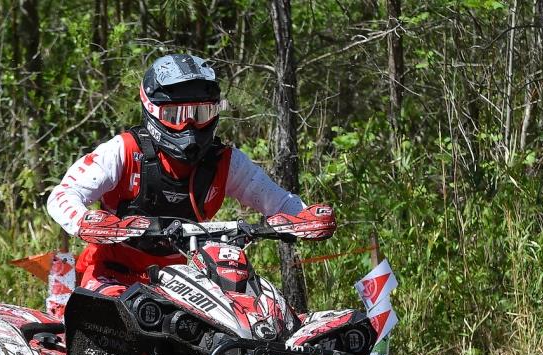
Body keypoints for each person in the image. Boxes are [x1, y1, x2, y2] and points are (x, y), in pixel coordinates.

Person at [46, 53, 334, 298]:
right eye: (176, 116)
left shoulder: (226, 162)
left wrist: (305, 216)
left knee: (242, 323)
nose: (189, 126)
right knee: (115, 329)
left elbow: (279, 202)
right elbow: (61, 196)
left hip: (185, 279)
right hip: (113, 275)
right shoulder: (124, 151)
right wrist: (86, 221)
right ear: (152, 111)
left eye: (201, 113)